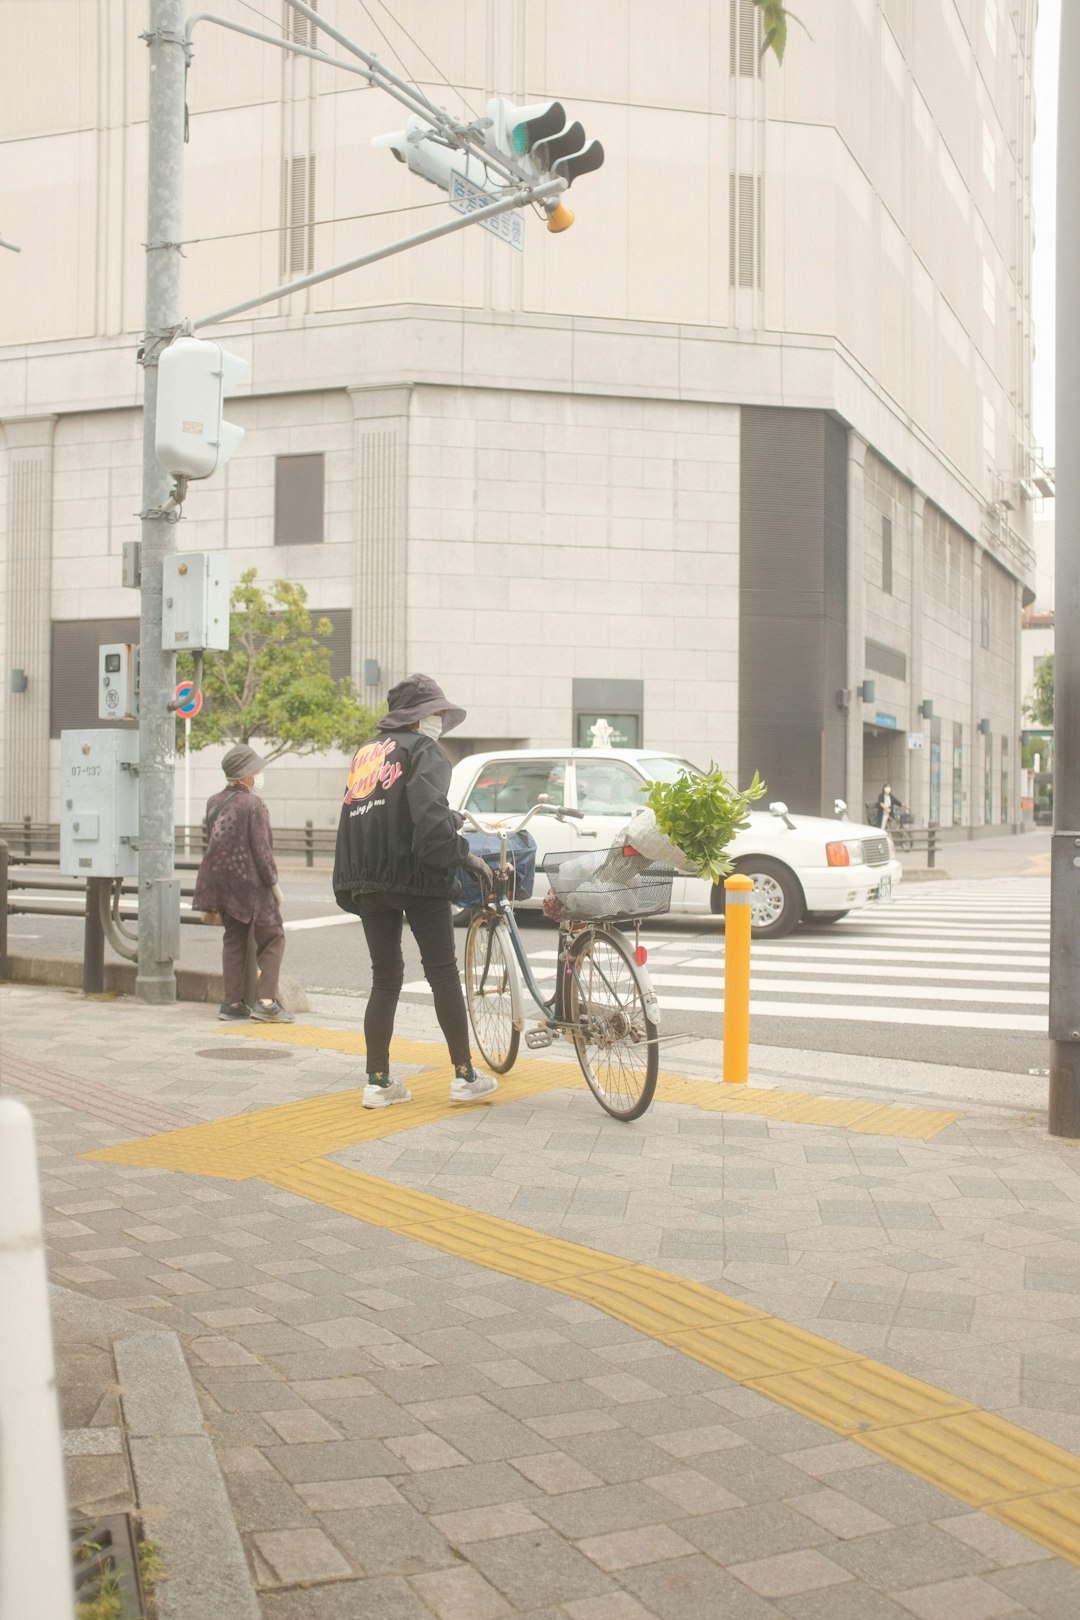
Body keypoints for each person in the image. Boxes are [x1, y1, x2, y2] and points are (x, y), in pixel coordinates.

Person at [332, 674, 499, 1110]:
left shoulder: (367, 752)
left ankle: (378, 1082)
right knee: (441, 971)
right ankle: (464, 1075)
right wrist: (462, 854)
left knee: (384, 978)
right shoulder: (425, 751)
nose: (441, 720)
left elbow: (366, 813)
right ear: (420, 716)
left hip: (366, 876)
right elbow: (427, 819)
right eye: (437, 712)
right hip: (417, 876)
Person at [192, 744, 293, 1024]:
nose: (259, 775)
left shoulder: (214, 801)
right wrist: (274, 884)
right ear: (244, 776)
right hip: (252, 885)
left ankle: (232, 1003)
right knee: (273, 937)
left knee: (234, 940)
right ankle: (266, 1002)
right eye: (256, 770)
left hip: (222, 884)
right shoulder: (254, 805)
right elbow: (262, 850)